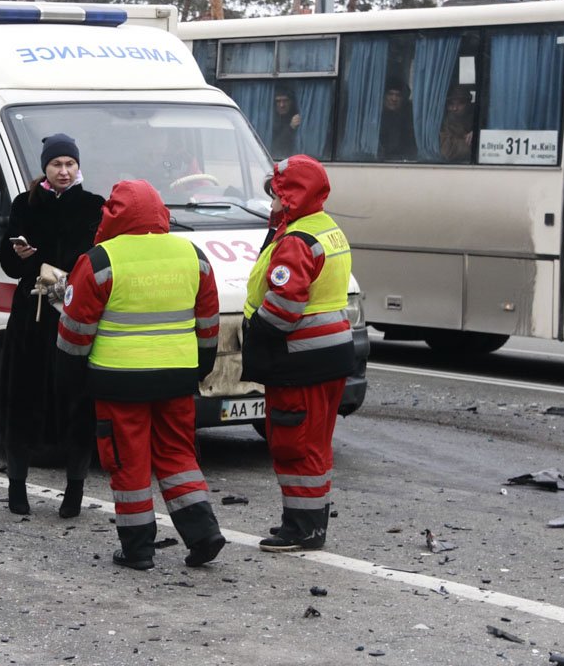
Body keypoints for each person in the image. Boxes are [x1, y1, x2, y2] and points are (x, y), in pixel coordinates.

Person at [55, 179, 226, 570]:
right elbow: (209, 323)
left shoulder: (99, 260)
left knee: (128, 463)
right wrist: (200, 367)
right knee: (178, 455)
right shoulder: (193, 255)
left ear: (113, 214)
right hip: (177, 378)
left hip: (119, 383)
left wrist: (69, 380)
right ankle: (203, 534)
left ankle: (138, 549)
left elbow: (75, 333)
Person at [241, 155, 355, 553]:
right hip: (331, 355)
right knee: (316, 446)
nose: (271, 202)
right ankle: (311, 523)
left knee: (295, 445)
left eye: (276, 194)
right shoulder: (326, 228)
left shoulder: (296, 240)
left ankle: (301, 529)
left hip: (300, 360)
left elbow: (284, 306)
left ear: (291, 196)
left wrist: (256, 332)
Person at [0, 133, 105, 518]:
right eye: (56, 164)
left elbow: (95, 259)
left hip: (74, 314)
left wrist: (56, 271)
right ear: (45, 167)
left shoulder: (94, 206)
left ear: (78, 166)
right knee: (21, 398)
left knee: (75, 403)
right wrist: (21, 255)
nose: (63, 171)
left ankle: (74, 489)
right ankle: (16, 486)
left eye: (69, 164)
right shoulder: (24, 204)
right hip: (30, 315)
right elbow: (9, 264)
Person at [378, 78, 417, 161]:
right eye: (390, 94)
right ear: (383, 96)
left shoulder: (409, 120)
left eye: (398, 95)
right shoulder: (376, 117)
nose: (394, 99)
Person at [439, 86, 475, 162]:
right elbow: (448, 150)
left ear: (468, 104)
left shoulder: (478, 119)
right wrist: (476, 141)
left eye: (461, 103)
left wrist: (476, 133)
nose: (455, 108)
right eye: (451, 104)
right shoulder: (443, 124)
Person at [270, 86, 301, 159]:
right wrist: (291, 127)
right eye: (278, 101)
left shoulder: (298, 115)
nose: (282, 105)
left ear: (291, 102)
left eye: (285, 101)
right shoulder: (269, 121)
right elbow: (276, 146)